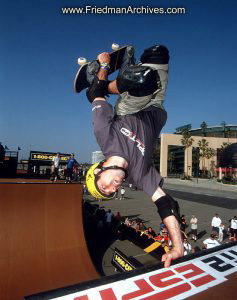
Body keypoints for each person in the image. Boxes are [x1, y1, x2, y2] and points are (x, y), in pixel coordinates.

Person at [85, 45, 183, 267]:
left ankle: (108, 78)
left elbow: (98, 99)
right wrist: (177, 246)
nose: (113, 189)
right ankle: (126, 73)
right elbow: (166, 204)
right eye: (112, 193)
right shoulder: (138, 176)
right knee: (158, 53)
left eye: (105, 187)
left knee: (137, 81)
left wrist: (103, 66)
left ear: (98, 171)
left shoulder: (104, 136)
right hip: (155, 107)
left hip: (130, 107)